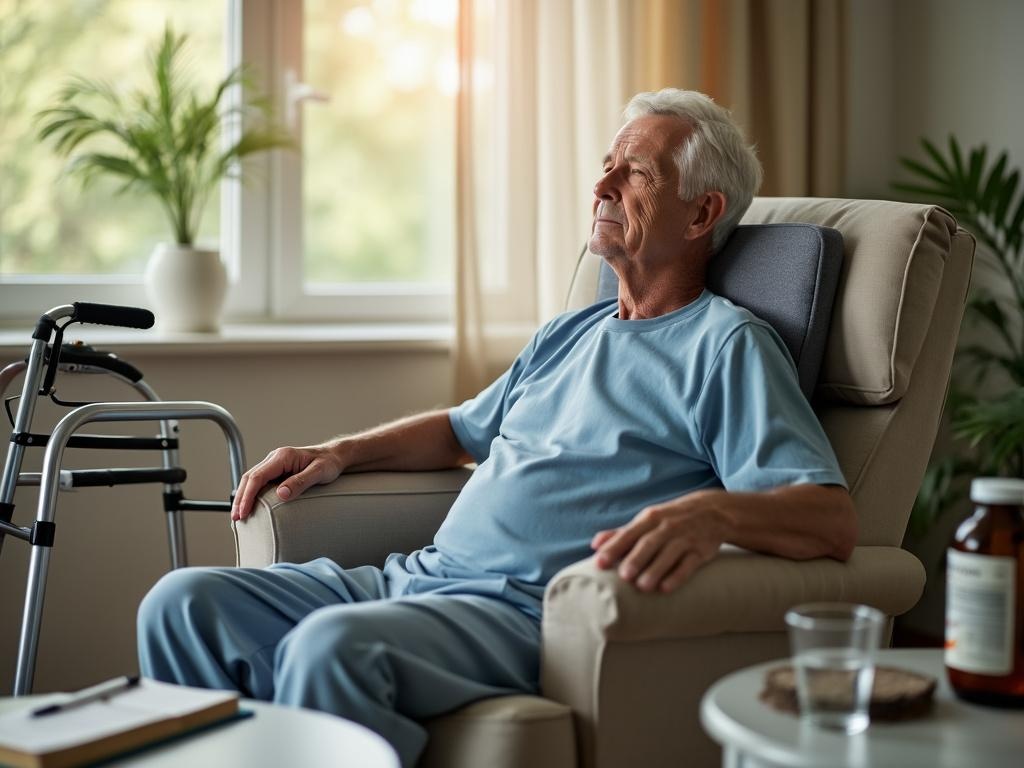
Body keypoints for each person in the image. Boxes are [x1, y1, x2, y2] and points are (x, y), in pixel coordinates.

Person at [137, 88, 855, 767]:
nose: (602, 187)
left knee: (332, 648)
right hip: (415, 582)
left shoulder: (726, 346)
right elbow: (458, 430)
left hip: (521, 612)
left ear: (702, 215)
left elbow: (828, 518)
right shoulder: (570, 333)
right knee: (182, 605)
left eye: (635, 173)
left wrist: (712, 510)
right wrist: (336, 452)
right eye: (605, 167)